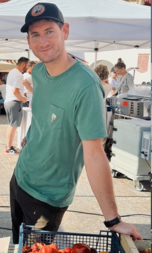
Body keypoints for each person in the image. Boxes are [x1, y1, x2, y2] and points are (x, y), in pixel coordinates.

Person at [10, 2, 141, 244]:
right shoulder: (38, 72)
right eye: (35, 35)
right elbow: (41, 115)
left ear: (65, 32)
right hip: (19, 179)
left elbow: (94, 154)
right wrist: (31, 138)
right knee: (17, 247)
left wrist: (112, 219)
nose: (43, 41)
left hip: (48, 197)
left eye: (49, 31)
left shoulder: (86, 86)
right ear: (28, 41)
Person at [4, 57, 29, 154]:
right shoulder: (19, 75)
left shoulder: (12, 72)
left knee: (11, 125)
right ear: (23, 64)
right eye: (27, 65)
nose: (27, 67)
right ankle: (9, 148)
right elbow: (15, 91)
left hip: (9, 101)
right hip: (14, 102)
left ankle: (8, 145)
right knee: (13, 126)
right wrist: (23, 99)